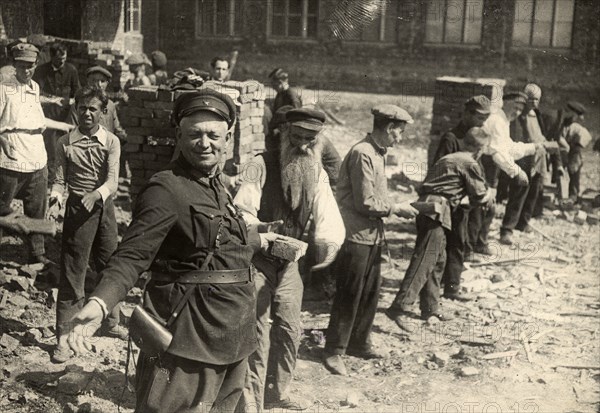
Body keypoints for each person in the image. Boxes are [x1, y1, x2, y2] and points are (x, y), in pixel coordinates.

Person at [63, 89, 280, 412]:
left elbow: (220, 244)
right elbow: (133, 254)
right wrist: (100, 302)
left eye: (213, 135)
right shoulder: (166, 188)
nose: (204, 143)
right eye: (194, 134)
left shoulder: (217, 184)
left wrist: (258, 240)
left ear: (228, 138)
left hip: (233, 335)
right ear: (178, 135)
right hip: (187, 338)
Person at [234, 107, 345, 410]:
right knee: (257, 335)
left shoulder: (316, 171)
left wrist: (328, 244)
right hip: (257, 260)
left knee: (289, 330)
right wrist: (260, 228)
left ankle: (276, 393)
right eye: (297, 137)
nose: (303, 145)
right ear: (284, 133)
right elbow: (241, 211)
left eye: (311, 140)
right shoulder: (261, 164)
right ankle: (251, 404)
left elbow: (328, 215)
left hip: (289, 263)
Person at [322, 104, 418, 376]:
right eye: (399, 133)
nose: (400, 138)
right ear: (389, 128)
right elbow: (365, 202)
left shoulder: (377, 153)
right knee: (350, 294)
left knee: (370, 293)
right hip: (356, 235)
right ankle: (334, 350)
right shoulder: (363, 153)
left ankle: (359, 342)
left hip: (372, 235)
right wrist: (396, 207)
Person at [386, 127, 493, 331]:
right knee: (426, 259)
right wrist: (490, 193)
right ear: (480, 149)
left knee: (438, 260)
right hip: (437, 209)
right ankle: (399, 307)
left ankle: (430, 308)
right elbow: (479, 196)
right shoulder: (469, 162)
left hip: (431, 207)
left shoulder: (450, 158)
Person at [48, 87, 123, 363]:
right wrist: (56, 198)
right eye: (82, 108)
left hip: (104, 207)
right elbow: (59, 179)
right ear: (75, 110)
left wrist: (98, 194)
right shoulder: (65, 142)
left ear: (103, 112)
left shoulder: (111, 141)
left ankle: (112, 322)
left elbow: (113, 181)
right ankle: (64, 338)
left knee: (110, 264)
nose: (87, 113)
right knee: (73, 273)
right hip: (79, 210)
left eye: (93, 109)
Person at [0, 43, 72, 264]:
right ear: (14, 65)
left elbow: (39, 122)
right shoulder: (3, 88)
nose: (27, 71)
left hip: (36, 152)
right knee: (3, 209)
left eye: (30, 66)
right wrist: (1, 139)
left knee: (37, 207)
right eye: (22, 66)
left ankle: (37, 254)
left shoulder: (34, 88)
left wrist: (65, 127)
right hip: (11, 154)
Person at [431, 95, 491, 300]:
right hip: (451, 201)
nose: (482, 122)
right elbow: (440, 167)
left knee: (460, 243)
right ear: (467, 114)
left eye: (485, 118)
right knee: (446, 244)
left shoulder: (479, 137)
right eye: (479, 117)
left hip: (467, 201)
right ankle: (443, 287)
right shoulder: (452, 138)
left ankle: (452, 285)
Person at [501, 85, 557, 244]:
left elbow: (540, 135)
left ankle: (523, 223)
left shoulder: (536, 115)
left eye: (537, 99)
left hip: (539, 159)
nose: (533, 102)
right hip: (523, 158)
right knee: (518, 194)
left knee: (534, 193)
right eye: (530, 99)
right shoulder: (517, 117)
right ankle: (507, 229)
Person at [33, 41, 81, 181]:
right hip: (48, 116)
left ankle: (67, 177)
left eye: (64, 58)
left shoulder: (71, 70)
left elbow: (77, 92)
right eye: (59, 59)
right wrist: (54, 100)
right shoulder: (42, 71)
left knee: (68, 147)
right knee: (51, 149)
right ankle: (52, 180)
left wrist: (73, 101)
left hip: (66, 116)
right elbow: (37, 94)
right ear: (52, 57)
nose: (62, 62)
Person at [557, 101, 593, 200]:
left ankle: (573, 197)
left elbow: (583, 141)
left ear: (574, 115)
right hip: (563, 152)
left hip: (574, 153)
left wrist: (571, 146)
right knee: (560, 175)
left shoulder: (577, 127)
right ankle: (562, 196)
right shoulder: (562, 124)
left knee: (573, 174)